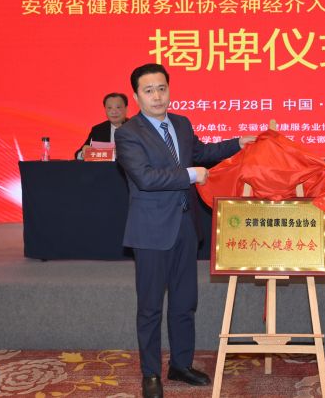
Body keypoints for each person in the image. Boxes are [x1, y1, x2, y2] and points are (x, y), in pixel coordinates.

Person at [114, 63, 256, 398]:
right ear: (136, 96)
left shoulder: (181, 123)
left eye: (162, 88)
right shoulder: (128, 133)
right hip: (151, 233)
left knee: (184, 302)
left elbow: (201, 152)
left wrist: (238, 142)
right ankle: (151, 374)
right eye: (149, 90)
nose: (157, 96)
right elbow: (145, 178)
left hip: (185, 227)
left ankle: (181, 364)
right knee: (150, 307)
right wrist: (192, 175)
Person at [74, 92, 128, 159]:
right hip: (104, 165)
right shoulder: (98, 130)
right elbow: (78, 154)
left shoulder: (135, 128)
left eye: (118, 107)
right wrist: (83, 154)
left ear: (126, 108)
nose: (114, 111)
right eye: (109, 108)